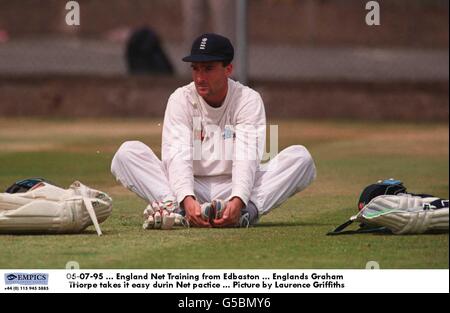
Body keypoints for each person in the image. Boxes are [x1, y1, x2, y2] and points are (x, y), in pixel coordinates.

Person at [111, 33, 316, 228]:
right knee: (127, 154)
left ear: (228, 69)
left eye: (208, 69)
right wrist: (187, 199)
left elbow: (247, 156)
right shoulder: (180, 99)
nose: (200, 77)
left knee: (300, 158)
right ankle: (179, 210)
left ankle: (245, 213)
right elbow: (176, 155)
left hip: (234, 187)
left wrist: (238, 200)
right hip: (190, 188)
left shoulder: (247, 99)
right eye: (195, 68)